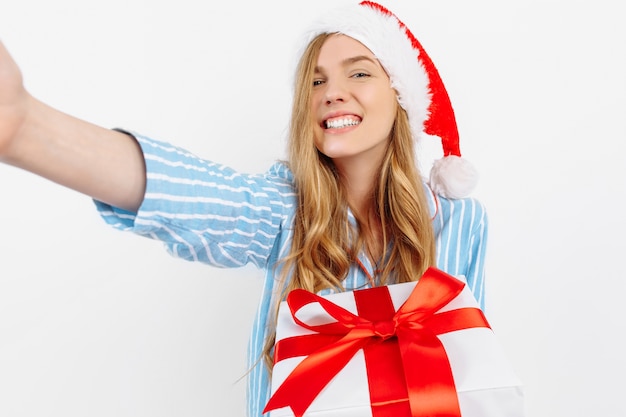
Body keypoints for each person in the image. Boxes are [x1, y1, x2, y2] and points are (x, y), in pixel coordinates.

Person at [0, 1, 487, 416]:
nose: (331, 92)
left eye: (359, 72)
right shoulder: (285, 211)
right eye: (315, 82)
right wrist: (24, 126)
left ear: (402, 97)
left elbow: (471, 371)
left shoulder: (460, 221)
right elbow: (198, 197)